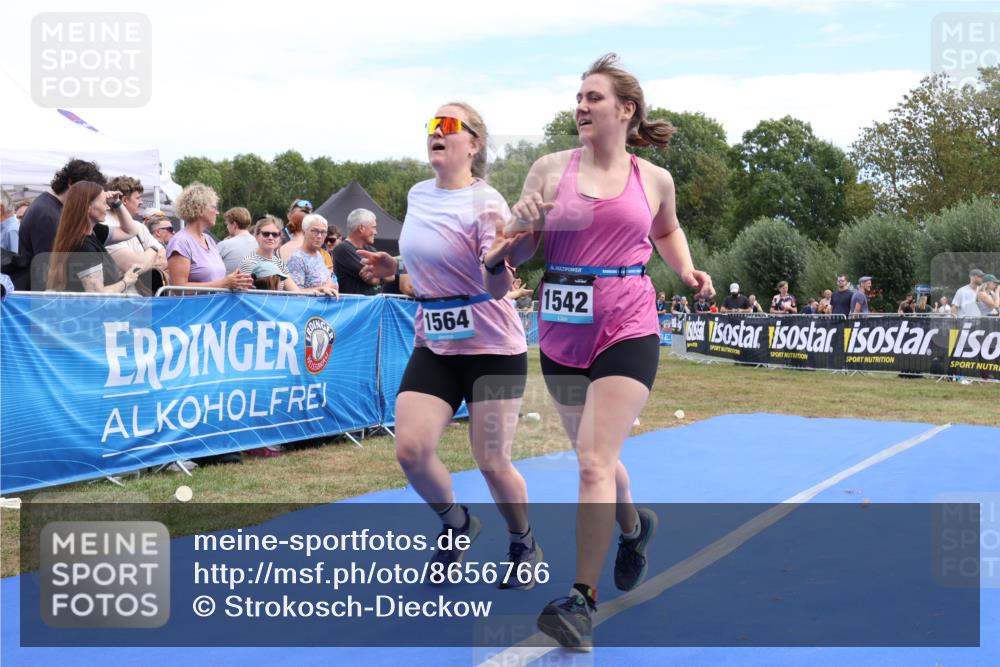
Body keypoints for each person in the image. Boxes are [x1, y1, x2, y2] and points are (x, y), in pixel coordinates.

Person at [499, 54, 713, 649]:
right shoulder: (548, 169)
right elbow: (519, 247)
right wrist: (515, 234)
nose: (581, 106)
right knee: (596, 454)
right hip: (563, 326)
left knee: (592, 461)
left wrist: (688, 271)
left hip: (628, 318)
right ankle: (634, 526)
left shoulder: (654, 180)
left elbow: (665, 231)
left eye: (593, 97)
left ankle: (579, 601)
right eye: (578, 97)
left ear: (626, 109)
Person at [356, 102, 540, 590]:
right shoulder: (418, 195)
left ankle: (523, 540)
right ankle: (457, 521)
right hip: (435, 341)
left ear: (474, 143)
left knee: (492, 462)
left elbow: (496, 285)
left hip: (491, 347)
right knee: (411, 450)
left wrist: (499, 260)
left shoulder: (489, 204)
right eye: (432, 125)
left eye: (449, 125)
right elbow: (433, 265)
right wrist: (394, 268)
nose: (437, 132)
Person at [19, 158, 106, 290]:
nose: (88, 196)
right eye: (86, 190)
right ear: (71, 183)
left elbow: (127, 232)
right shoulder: (47, 214)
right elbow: (46, 269)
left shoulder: (52, 209)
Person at [44, 181, 143, 293]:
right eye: (104, 203)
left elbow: (130, 231)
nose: (107, 207)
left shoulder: (92, 232)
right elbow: (97, 295)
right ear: (88, 207)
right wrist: (126, 282)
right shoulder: (84, 247)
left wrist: (116, 203)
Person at [166, 182, 253, 291]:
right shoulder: (180, 242)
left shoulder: (209, 240)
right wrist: (224, 283)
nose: (217, 213)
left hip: (215, 306)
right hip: (196, 307)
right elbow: (179, 289)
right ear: (200, 209)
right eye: (214, 207)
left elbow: (215, 280)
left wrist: (235, 281)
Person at [104, 175, 168, 291]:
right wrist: (153, 249)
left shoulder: (138, 226)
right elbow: (134, 266)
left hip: (140, 301)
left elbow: (164, 258)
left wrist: (144, 262)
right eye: (138, 198)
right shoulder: (106, 227)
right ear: (124, 201)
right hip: (120, 303)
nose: (141, 202)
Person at [237, 216, 327, 294]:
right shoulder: (249, 263)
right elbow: (244, 297)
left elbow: (295, 291)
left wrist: (321, 289)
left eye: (275, 234)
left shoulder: (278, 262)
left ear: (280, 238)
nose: (270, 237)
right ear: (256, 236)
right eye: (266, 234)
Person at [335, 208, 393, 295]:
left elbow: (391, 274)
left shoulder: (370, 249)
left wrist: (377, 279)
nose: (376, 232)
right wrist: (381, 276)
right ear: (361, 228)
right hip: (356, 306)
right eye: (374, 227)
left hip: (373, 305)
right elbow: (384, 273)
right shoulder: (342, 249)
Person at [285, 214, 339, 296]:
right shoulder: (297, 258)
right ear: (304, 232)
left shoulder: (319, 255)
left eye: (323, 232)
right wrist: (321, 289)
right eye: (315, 231)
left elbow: (329, 283)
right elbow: (295, 295)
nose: (319, 236)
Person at [217, 207, 258, 274]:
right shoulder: (259, 244)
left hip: (226, 284)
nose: (227, 227)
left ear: (234, 225)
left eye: (227, 224)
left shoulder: (224, 245)